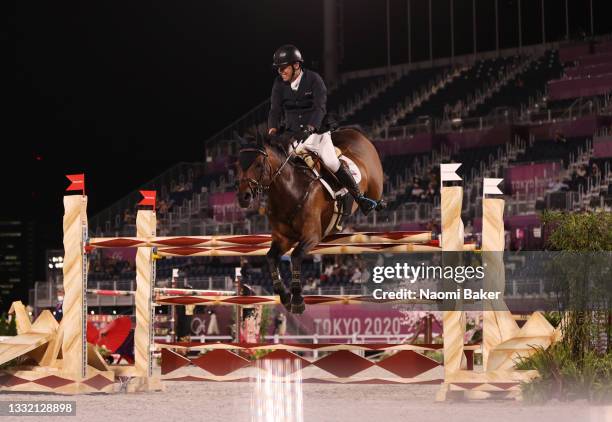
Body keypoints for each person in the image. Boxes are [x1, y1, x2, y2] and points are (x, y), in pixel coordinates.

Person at [267, 44, 378, 215]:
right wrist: (272, 131)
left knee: (332, 162)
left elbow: (320, 108)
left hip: (317, 133)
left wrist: (311, 127)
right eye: (278, 69)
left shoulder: (314, 80)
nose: (280, 72)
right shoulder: (278, 84)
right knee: (279, 166)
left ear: (296, 65)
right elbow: (274, 109)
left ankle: (359, 198)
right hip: (292, 135)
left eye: (283, 68)